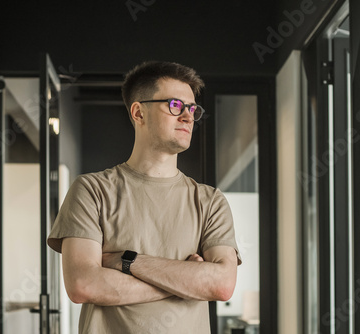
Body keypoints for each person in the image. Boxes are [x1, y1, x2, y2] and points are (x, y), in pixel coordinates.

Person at [47, 61, 242, 333]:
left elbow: (221, 285)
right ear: (139, 112)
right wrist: (185, 282)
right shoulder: (91, 190)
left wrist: (126, 262)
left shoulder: (210, 201)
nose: (187, 117)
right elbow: (83, 285)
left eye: (192, 109)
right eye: (175, 106)